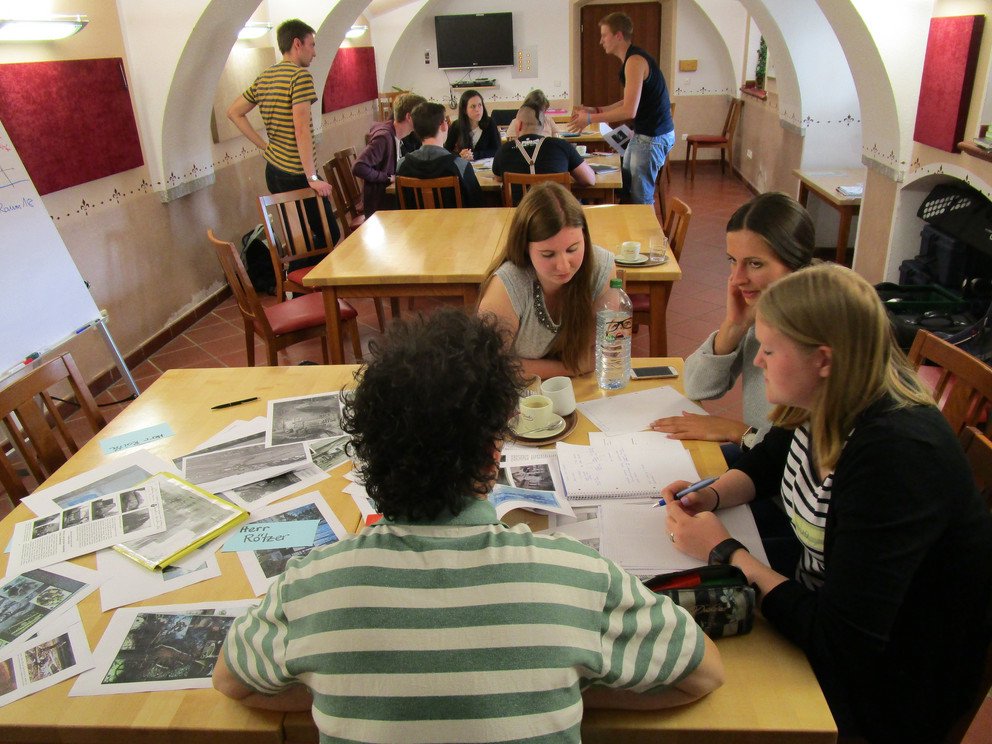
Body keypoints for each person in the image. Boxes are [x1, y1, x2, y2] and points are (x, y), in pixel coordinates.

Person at [213, 309, 724, 742]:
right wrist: (571, 690)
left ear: (369, 450)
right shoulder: (577, 579)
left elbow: (231, 683)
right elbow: (702, 674)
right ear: (491, 454)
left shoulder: (310, 589)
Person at [661, 264, 992, 743]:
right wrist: (710, 495)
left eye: (770, 350)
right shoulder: (827, 399)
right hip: (821, 603)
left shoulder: (895, 458)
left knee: (706, 700)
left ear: (825, 360)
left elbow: (842, 644)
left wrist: (726, 552)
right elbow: (767, 462)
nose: (758, 362)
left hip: (888, 684)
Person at [652, 193, 815, 461]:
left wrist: (735, 431)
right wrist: (734, 326)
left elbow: (795, 459)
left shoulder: (812, 333)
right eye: (732, 260)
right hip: (758, 453)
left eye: (754, 263)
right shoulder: (764, 310)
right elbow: (695, 387)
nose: (737, 279)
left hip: (782, 485)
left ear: (796, 265)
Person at [477, 182, 616, 378]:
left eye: (572, 249)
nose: (563, 266)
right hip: (519, 395)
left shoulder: (601, 265)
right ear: (526, 248)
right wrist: (569, 368)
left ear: (585, 237)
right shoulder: (507, 284)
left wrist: (578, 366)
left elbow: (603, 348)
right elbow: (488, 365)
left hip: (581, 388)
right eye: (548, 254)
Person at [227, 19, 339, 245]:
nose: (314, 53)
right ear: (297, 43)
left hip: (274, 170)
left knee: (297, 239)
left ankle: (295, 275)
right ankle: (311, 276)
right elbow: (302, 131)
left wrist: (265, 147)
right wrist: (312, 177)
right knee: (330, 234)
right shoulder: (300, 77)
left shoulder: (266, 76)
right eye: (312, 45)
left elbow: (233, 112)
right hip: (297, 172)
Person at [568, 12, 675, 206]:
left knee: (641, 198)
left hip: (653, 137)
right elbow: (628, 101)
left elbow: (629, 111)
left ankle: (648, 237)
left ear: (618, 36)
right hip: (644, 134)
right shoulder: (631, 60)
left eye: (604, 35)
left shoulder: (634, 62)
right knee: (625, 185)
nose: (601, 41)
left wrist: (590, 119)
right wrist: (597, 110)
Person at [492, 105, 595, 200]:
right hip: (556, 216)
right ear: (544, 126)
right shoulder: (561, 145)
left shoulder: (504, 150)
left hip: (519, 217)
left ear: (518, 125)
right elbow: (590, 179)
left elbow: (498, 178)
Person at [351, 92, 426, 217]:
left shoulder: (397, 135)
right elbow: (358, 167)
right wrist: (387, 178)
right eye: (422, 115)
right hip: (380, 204)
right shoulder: (384, 137)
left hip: (389, 199)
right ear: (409, 117)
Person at [396, 101, 482, 207]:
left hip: (416, 222)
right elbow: (477, 205)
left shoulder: (402, 165)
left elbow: (399, 205)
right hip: (455, 222)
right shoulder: (460, 166)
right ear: (443, 126)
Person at [443, 89, 501, 161]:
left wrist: (474, 155)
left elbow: (497, 150)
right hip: (464, 167)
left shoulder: (489, 123)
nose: (477, 109)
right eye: (473, 106)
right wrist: (460, 155)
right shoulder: (456, 125)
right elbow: (446, 151)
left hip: (485, 168)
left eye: (480, 105)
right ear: (464, 110)